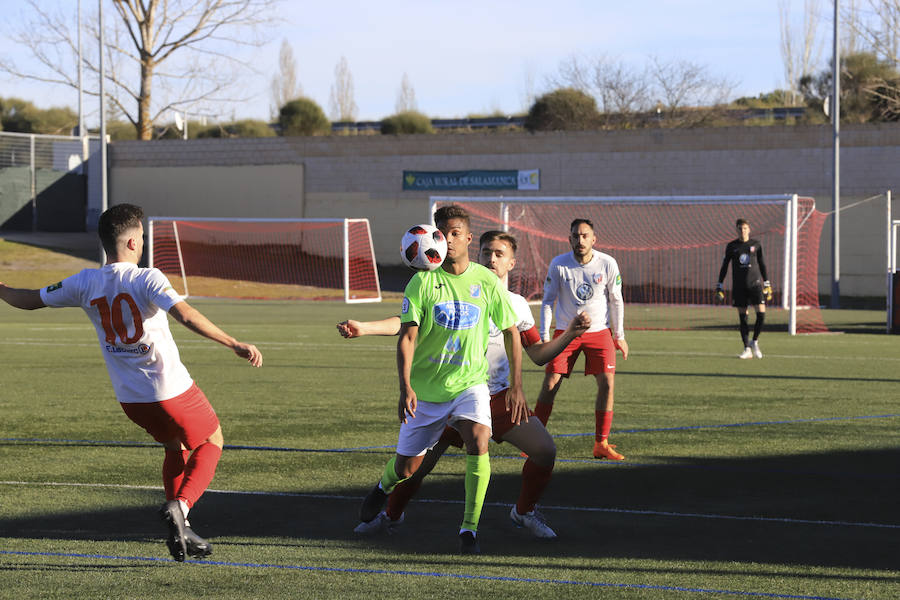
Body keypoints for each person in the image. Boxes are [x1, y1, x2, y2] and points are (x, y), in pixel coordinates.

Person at [0, 203, 262, 562]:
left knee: (175, 448)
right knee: (212, 439)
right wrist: (233, 343)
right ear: (134, 242)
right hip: (171, 389)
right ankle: (181, 509)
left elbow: (29, 300)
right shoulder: (147, 278)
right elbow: (184, 313)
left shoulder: (83, 282)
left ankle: (180, 530)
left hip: (132, 400)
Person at [339, 231, 591, 540]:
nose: (491, 258)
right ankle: (390, 516)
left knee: (545, 451)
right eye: (486, 252)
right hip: (450, 393)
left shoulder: (517, 305)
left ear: (512, 262)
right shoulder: (449, 287)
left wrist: (569, 335)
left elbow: (537, 354)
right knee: (415, 467)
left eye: (499, 253)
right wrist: (365, 327)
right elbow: (406, 324)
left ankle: (523, 512)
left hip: (496, 397)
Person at [356, 206, 524, 554]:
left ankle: (469, 530)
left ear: (467, 238)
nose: (447, 239)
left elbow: (512, 332)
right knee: (407, 468)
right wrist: (405, 388)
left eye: (454, 233)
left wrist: (518, 386)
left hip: (470, 384)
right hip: (427, 391)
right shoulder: (423, 280)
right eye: (441, 233)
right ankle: (383, 486)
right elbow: (407, 337)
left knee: (479, 440)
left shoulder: (486, 281)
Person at [535, 218, 629, 461]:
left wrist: (619, 336)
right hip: (566, 333)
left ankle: (601, 444)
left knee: (607, 383)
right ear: (570, 239)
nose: (580, 240)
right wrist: (545, 338)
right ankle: (533, 439)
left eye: (585, 235)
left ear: (593, 239)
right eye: (576, 236)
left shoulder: (607, 263)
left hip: (599, 332)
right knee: (551, 383)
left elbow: (616, 299)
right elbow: (547, 301)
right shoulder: (559, 264)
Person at [716, 218, 772, 359]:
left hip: (755, 285)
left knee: (761, 314)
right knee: (743, 318)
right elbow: (724, 267)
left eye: (745, 228)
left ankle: (755, 341)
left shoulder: (756, 245)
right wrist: (719, 284)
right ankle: (746, 348)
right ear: (737, 230)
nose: (743, 231)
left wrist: (767, 283)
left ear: (749, 229)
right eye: (740, 228)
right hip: (739, 286)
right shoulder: (731, 246)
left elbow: (762, 264)